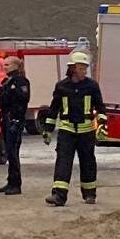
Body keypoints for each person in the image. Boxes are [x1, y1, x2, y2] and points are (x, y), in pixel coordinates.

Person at [45, 51, 105, 206]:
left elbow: (101, 108)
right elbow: (53, 109)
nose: (84, 71)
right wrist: (47, 130)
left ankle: (90, 194)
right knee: (63, 162)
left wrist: (102, 125)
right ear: (72, 68)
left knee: (88, 162)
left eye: (85, 68)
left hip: (86, 132)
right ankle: (59, 196)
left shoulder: (92, 86)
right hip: (67, 131)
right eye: (81, 67)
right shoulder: (62, 87)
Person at [0, 56, 32, 195]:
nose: (5, 67)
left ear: (16, 66)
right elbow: (1, 100)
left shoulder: (21, 81)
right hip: (5, 118)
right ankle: (11, 181)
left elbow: (23, 98)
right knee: (9, 152)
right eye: (4, 65)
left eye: (8, 64)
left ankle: (16, 184)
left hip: (15, 120)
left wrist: (10, 91)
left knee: (13, 152)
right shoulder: (6, 81)